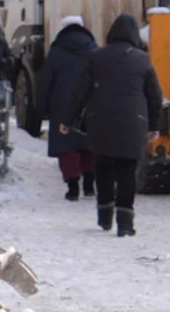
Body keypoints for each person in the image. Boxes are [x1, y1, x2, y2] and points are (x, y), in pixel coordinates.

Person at [62, 13, 163, 237]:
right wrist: (154, 125)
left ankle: (105, 216)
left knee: (103, 167)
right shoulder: (142, 59)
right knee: (127, 170)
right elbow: (155, 96)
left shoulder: (96, 57)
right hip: (133, 121)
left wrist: (67, 120)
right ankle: (125, 223)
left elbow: (80, 92)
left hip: (100, 120)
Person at [39, 15, 97, 201]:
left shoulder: (56, 51)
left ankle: (73, 188)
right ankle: (89, 184)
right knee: (89, 143)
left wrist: (42, 108)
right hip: (89, 102)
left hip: (62, 104)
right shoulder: (94, 49)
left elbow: (45, 82)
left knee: (67, 146)